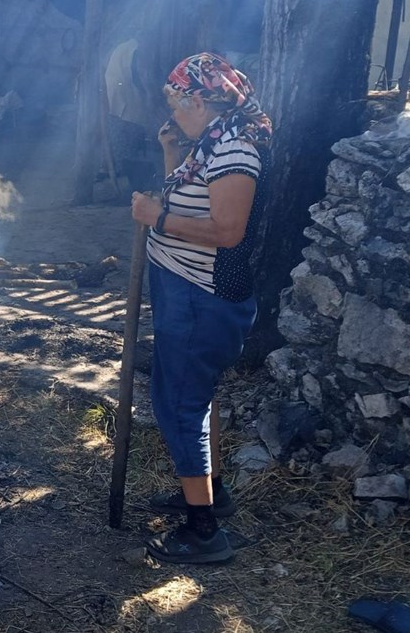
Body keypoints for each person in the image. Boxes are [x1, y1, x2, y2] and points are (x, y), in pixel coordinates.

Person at [129, 52, 273, 564]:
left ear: (197, 99)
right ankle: (209, 491)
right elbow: (189, 197)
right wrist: (171, 155)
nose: (171, 112)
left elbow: (227, 232)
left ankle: (203, 531)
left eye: (174, 101)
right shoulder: (208, 143)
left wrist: (156, 218)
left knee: (179, 404)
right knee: (193, 396)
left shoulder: (236, 149)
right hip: (184, 290)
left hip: (202, 297)